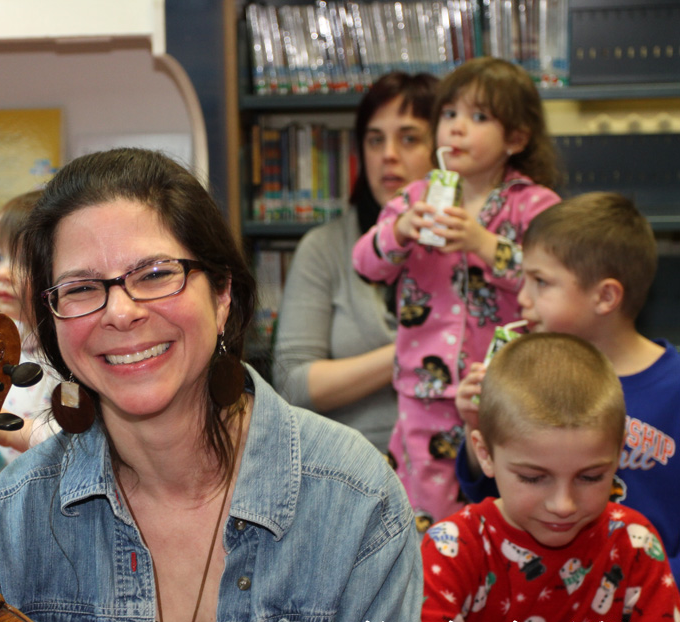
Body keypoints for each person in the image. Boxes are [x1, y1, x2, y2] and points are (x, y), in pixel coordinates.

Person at [0, 147, 423, 622]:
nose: (121, 312)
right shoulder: (8, 522)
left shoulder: (355, 499)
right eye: (82, 288)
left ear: (222, 294)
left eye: (155, 274)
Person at [352, 57, 562, 528]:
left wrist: (484, 244)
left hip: (507, 391)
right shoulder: (416, 197)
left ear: (516, 138)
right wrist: (400, 230)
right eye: (449, 114)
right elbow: (365, 262)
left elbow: (555, 279)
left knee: (506, 507)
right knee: (424, 514)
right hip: (422, 391)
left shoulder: (534, 205)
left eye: (478, 116)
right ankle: (432, 575)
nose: (457, 128)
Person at [455, 191, 680, 581]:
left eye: (541, 282)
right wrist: (478, 426)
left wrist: (651, 584)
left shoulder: (674, 390)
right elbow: (495, 502)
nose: (522, 298)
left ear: (605, 296)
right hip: (540, 597)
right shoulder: (528, 375)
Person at [422, 332, 680, 622]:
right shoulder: (452, 549)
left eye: (591, 477)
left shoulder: (635, 543)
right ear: (485, 454)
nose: (563, 505)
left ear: (617, 455)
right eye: (533, 478)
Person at [273, 71, 438, 452]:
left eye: (409, 138)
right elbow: (291, 384)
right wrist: (409, 350)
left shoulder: (468, 244)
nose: (388, 154)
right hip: (352, 465)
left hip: (456, 464)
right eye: (375, 139)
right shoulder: (324, 247)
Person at [0, 191, 62, 492]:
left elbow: (70, 439)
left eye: (23, 260)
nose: (2, 273)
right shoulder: (5, 342)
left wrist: (7, 431)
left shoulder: (64, 353)